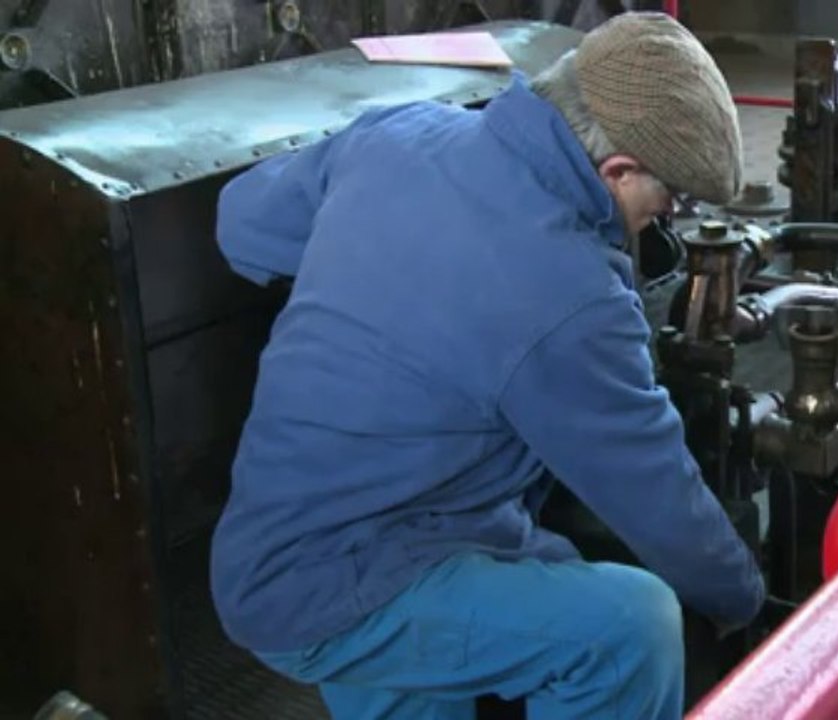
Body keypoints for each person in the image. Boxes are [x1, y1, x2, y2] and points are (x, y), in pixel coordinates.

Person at [208, 12, 765, 720]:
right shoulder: (572, 297)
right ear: (617, 170)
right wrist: (745, 603)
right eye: (666, 202)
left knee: (530, 573)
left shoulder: (398, 132)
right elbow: (651, 489)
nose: (659, 223)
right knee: (629, 628)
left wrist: (384, 269)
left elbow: (242, 227)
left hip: (268, 553)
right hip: (356, 576)